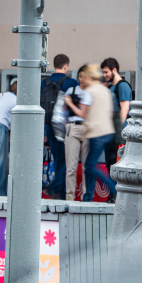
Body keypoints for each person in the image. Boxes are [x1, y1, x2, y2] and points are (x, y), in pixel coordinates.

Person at [70, 64, 117, 202]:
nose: (83, 80)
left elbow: (82, 114)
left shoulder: (89, 92)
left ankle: (113, 189)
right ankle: (88, 196)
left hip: (96, 132)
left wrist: (70, 103)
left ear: (89, 77)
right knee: (90, 166)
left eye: (84, 77)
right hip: (107, 131)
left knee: (90, 166)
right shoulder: (105, 90)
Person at [41, 54, 79, 199]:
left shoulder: (45, 82)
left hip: (49, 126)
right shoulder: (71, 82)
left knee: (57, 158)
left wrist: (45, 134)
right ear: (66, 66)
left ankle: (58, 190)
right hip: (66, 127)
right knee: (65, 160)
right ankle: (58, 190)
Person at [62, 65, 92, 201]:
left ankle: (86, 198)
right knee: (71, 167)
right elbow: (62, 110)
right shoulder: (71, 90)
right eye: (80, 76)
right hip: (73, 127)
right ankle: (70, 197)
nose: (82, 79)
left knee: (87, 167)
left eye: (84, 76)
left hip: (88, 128)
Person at [100, 58, 133, 172]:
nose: (104, 75)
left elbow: (124, 109)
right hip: (110, 133)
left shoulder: (122, 86)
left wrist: (119, 134)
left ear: (114, 70)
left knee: (115, 165)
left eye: (106, 72)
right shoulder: (111, 87)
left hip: (117, 135)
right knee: (110, 164)